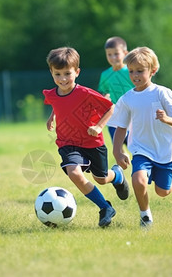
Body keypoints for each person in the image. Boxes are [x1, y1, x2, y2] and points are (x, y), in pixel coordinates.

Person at [43, 47, 129, 228]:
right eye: (57, 74)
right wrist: (52, 116)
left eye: (67, 73)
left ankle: (117, 176)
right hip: (68, 143)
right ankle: (105, 207)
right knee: (75, 173)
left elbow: (110, 107)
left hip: (92, 143)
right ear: (51, 72)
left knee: (102, 179)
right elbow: (57, 104)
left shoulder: (85, 93)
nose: (63, 79)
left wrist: (98, 127)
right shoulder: (52, 94)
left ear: (77, 72)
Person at [110, 47, 172, 229]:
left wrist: (166, 118)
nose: (135, 75)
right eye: (131, 71)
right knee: (138, 180)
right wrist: (117, 151)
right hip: (141, 149)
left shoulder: (162, 93)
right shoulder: (127, 99)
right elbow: (121, 127)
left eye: (140, 71)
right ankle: (145, 216)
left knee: (162, 192)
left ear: (152, 71)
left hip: (165, 151)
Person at [98, 36, 134, 142]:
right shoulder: (105, 74)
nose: (113, 57)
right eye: (109, 54)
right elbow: (104, 92)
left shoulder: (132, 72)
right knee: (117, 146)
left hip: (132, 115)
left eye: (116, 54)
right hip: (114, 117)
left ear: (125, 53)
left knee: (132, 144)